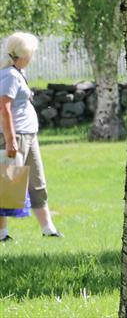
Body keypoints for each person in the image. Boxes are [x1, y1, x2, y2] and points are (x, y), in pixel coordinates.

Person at [0, 32, 61, 239]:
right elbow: (4, 107)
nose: (33, 56)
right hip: (16, 137)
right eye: (31, 52)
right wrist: (10, 140)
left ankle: (48, 229)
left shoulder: (17, 73)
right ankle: (2, 233)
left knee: (37, 182)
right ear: (24, 54)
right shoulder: (9, 75)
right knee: (7, 185)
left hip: (29, 135)